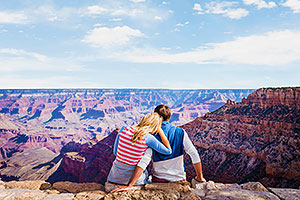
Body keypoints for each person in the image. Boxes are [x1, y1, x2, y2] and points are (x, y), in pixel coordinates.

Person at [111, 104, 206, 192]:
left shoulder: (150, 134)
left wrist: (130, 185)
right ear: (169, 117)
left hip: (158, 180)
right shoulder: (181, 132)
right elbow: (193, 153)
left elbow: (144, 162)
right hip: (178, 179)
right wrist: (199, 177)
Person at [107, 112, 172, 186]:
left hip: (114, 178)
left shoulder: (124, 129)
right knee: (149, 149)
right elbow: (168, 151)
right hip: (135, 182)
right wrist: (160, 131)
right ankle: (144, 179)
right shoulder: (148, 138)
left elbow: (115, 152)